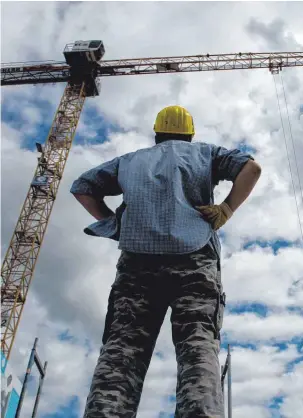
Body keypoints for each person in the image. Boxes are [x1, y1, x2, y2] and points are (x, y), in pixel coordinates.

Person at [70, 105, 261, 418]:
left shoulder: (129, 161)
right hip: (195, 259)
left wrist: (114, 226)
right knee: (197, 344)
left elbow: (82, 188)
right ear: (190, 133)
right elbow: (251, 169)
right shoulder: (205, 154)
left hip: (137, 264)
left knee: (122, 351)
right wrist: (226, 209)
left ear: (157, 133)